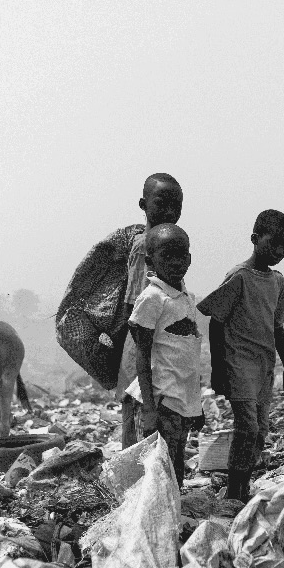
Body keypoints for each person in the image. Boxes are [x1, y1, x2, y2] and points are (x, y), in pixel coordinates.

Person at [197, 209, 284, 500]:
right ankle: (232, 490)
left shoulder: (277, 282)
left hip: (265, 366)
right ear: (254, 239)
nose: (278, 251)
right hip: (239, 363)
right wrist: (217, 370)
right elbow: (216, 321)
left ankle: (242, 485)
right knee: (247, 428)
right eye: (273, 243)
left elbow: (277, 327)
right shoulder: (239, 277)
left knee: (260, 430)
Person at [127, 223, 203, 488]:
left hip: (183, 401)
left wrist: (198, 405)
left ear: (190, 258)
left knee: (177, 462)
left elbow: (189, 358)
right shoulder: (152, 298)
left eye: (181, 255)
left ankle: (175, 516)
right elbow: (142, 355)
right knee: (162, 468)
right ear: (151, 261)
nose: (175, 262)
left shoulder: (185, 299)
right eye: (166, 256)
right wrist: (148, 408)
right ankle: (162, 519)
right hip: (162, 399)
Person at [117, 174, 184, 448]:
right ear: (143, 204)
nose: (170, 211)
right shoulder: (147, 247)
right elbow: (136, 305)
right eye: (162, 203)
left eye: (176, 205)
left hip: (156, 349)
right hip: (143, 348)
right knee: (140, 421)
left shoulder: (169, 246)